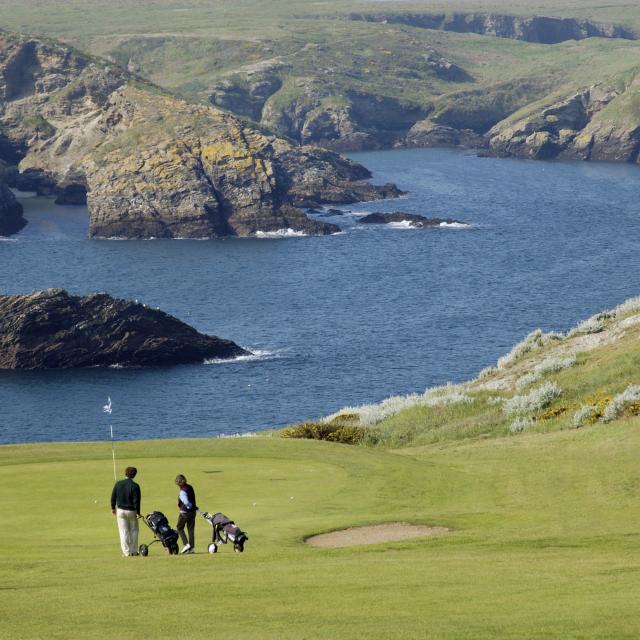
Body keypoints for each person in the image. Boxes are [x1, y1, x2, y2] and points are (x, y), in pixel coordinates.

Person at [110, 466, 141, 556]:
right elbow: (137, 501)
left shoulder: (118, 484)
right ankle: (134, 551)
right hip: (132, 511)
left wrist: (113, 508)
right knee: (134, 530)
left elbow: (113, 497)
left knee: (123, 532)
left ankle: (126, 552)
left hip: (120, 511)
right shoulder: (135, 486)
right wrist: (138, 512)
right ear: (134, 475)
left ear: (125, 473)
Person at [175, 474, 197, 554]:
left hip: (184, 513)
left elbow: (186, 502)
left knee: (179, 528)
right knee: (191, 530)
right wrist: (192, 507)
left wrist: (188, 506)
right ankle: (192, 548)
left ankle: (186, 544)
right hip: (193, 512)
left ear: (179, 482)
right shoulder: (190, 487)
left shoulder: (182, 492)